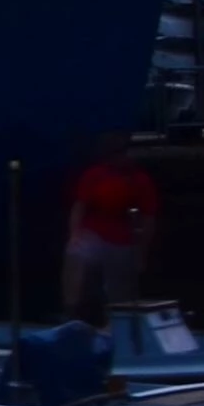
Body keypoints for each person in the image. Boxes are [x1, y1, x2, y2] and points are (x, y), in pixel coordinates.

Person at [62, 133, 160, 324]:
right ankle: (71, 311)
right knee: (75, 255)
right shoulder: (94, 175)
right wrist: (74, 235)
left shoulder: (141, 180)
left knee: (121, 286)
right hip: (94, 234)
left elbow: (149, 220)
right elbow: (79, 207)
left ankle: (116, 322)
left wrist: (142, 252)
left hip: (124, 239)